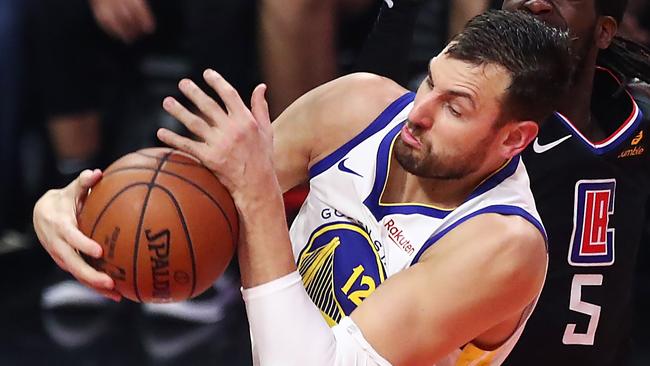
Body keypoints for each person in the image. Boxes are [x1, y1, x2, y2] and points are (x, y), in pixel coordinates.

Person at [33, 10, 574, 365]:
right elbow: (190, 195)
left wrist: (260, 197)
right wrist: (72, 205)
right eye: (429, 80)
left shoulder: (501, 246)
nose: (419, 111)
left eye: (455, 107)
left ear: (514, 139)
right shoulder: (357, 107)